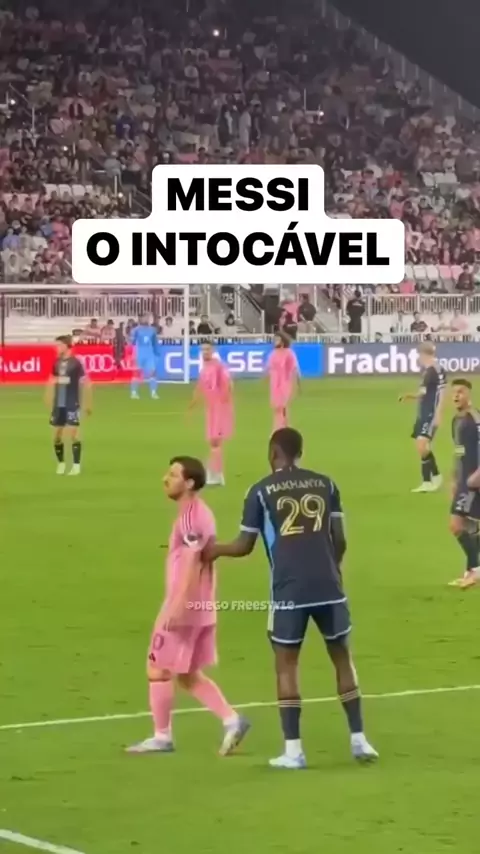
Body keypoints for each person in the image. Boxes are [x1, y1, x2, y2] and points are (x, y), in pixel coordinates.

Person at [205, 428, 377, 769]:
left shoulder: (260, 490)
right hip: (329, 587)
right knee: (342, 658)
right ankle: (359, 740)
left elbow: (243, 545)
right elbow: (340, 539)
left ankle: (294, 751)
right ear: (300, 452)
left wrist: (214, 550)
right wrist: (332, 570)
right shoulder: (326, 484)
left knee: (287, 664)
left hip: (289, 591)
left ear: (273, 453)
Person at [127, 456, 249, 755]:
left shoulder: (191, 517)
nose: (165, 479)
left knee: (157, 668)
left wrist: (176, 606)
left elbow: (193, 562)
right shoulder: (198, 513)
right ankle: (232, 720)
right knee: (187, 674)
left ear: (190, 483)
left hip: (186, 607)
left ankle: (162, 736)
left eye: (173, 475)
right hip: (201, 606)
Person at [399, 342, 446, 493]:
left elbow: (430, 392)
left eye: (418, 355)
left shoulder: (432, 370)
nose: (418, 358)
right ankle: (435, 477)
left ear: (423, 354)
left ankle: (429, 481)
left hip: (430, 413)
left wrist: (408, 396)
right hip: (424, 412)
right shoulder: (434, 370)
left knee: (422, 444)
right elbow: (433, 392)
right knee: (421, 446)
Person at [448, 380, 480, 589]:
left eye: (461, 392)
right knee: (470, 527)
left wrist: (478, 475)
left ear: (469, 394)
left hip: (473, 481)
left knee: (456, 525)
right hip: (463, 481)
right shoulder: (456, 420)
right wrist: (454, 478)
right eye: (454, 393)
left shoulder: (475, 419)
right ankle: (471, 571)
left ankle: (476, 570)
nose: (456, 396)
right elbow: (458, 452)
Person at [45, 335, 92, 476]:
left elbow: (86, 382)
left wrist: (88, 403)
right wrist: (48, 396)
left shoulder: (76, 363)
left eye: (59, 345)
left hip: (72, 403)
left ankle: (76, 466)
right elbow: (52, 380)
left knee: (74, 434)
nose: (57, 348)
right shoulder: (56, 363)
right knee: (57, 437)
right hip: (58, 405)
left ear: (67, 346)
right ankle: (61, 463)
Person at [188, 342, 233, 486]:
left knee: (215, 441)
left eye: (207, 349)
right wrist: (193, 404)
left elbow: (228, 383)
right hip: (211, 409)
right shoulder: (204, 368)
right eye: (203, 350)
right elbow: (200, 387)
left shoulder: (219, 366)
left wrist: (224, 403)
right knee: (213, 442)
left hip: (219, 408)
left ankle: (215, 474)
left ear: (213, 350)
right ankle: (216, 474)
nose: (205, 352)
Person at [266, 332, 300, 432]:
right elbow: (269, 368)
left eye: (277, 339)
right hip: (275, 384)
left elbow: (294, 369)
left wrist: (296, 383)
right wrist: (267, 378)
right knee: (277, 407)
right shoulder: (273, 353)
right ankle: (280, 428)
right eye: (275, 339)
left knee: (283, 407)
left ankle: (281, 428)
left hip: (285, 383)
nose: (275, 341)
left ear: (282, 340)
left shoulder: (289, 353)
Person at [130, 314, 159, 400]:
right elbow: (132, 342)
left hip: (149, 354)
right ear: (140, 319)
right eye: (144, 318)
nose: (146, 319)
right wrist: (133, 354)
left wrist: (156, 353)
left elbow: (154, 342)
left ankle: (153, 393)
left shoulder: (152, 330)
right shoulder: (136, 330)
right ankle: (134, 393)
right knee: (136, 373)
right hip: (139, 354)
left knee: (153, 373)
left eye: (147, 318)